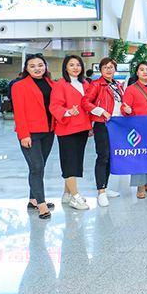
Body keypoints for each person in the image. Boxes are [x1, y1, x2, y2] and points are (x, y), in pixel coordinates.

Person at [12, 54, 56, 219]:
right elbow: (19, 112)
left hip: (49, 131)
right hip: (30, 133)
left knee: (40, 166)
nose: (37, 68)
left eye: (40, 65)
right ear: (26, 69)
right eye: (32, 66)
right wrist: (24, 134)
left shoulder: (51, 83)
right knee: (36, 167)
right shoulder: (19, 85)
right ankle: (42, 205)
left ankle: (33, 200)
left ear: (45, 66)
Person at [82, 57, 130, 207]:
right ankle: (101, 191)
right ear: (100, 69)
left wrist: (127, 111)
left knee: (110, 157)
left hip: (117, 126)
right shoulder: (96, 84)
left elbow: (120, 105)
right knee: (103, 156)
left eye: (111, 67)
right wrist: (101, 111)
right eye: (105, 67)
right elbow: (85, 102)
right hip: (103, 124)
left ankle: (106, 186)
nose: (108, 70)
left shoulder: (118, 85)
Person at [49, 55, 92, 211]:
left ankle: (67, 194)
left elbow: (89, 105)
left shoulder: (85, 84)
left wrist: (89, 126)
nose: (75, 67)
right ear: (65, 68)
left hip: (82, 128)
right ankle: (75, 196)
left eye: (78, 64)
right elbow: (54, 106)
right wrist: (67, 112)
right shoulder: (60, 85)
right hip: (67, 129)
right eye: (71, 65)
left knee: (76, 161)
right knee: (69, 162)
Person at [122, 61, 147, 198]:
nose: (145, 72)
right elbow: (124, 108)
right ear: (137, 73)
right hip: (138, 128)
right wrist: (127, 110)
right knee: (140, 155)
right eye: (141, 69)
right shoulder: (131, 89)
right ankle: (140, 186)